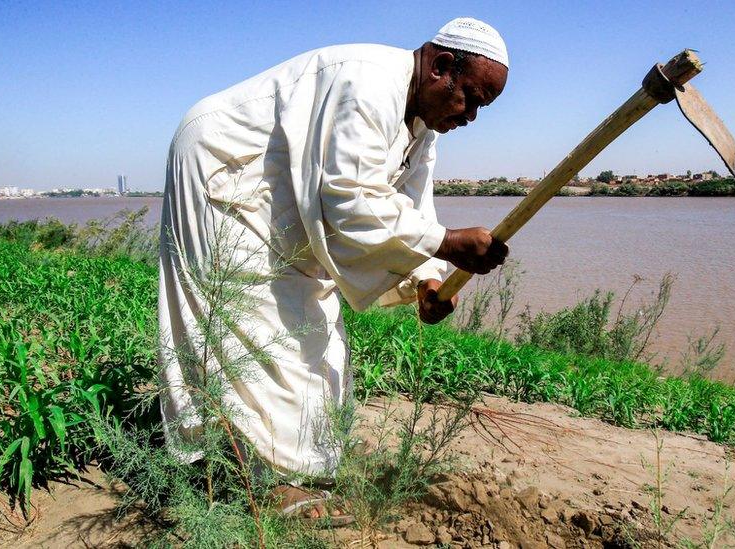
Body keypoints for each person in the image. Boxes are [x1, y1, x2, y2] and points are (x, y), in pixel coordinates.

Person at [158, 17, 509, 522]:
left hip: (282, 195)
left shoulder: (422, 126)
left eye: (482, 106)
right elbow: (349, 200)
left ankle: (302, 455)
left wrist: (429, 279)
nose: (473, 116)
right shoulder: (366, 83)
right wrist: (450, 244)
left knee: (309, 319)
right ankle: (257, 479)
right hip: (223, 166)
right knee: (249, 319)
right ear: (440, 67)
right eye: (471, 98)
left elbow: (411, 208)